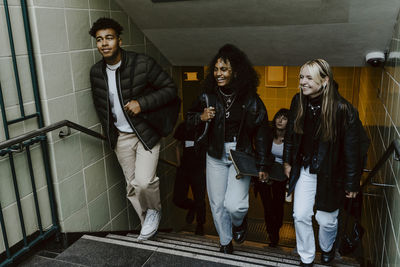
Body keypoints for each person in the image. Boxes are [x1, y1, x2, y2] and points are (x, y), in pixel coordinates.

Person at [88, 18, 177, 240]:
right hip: (121, 138)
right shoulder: (96, 72)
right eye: (99, 40)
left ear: (119, 40)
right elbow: (101, 106)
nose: (104, 43)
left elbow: (170, 89)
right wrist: (110, 132)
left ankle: (154, 211)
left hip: (145, 132)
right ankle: (147, 223)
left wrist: (142, 103)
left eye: (109, 38)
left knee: (144, 182)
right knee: (131, 187)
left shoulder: (142, 63)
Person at [187, 44, 273, 254]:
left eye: (224, 69)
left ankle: (239, 223)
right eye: (216, 69)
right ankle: (225, 242)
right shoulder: (207, 96)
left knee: (235, 205)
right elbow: (188, 119)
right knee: (217, 204)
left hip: (240, 155)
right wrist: (201, 117)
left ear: (236, 71)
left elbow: (262, 132)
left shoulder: (250, 98)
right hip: (215, 153)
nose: (218, 73)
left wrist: (262, 163)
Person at [283, 59, 361, 266]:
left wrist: (352, 183)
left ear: (325, 80)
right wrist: (287, 162)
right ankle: (306, 257)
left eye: (309, 77)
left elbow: (353, 150)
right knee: (300, 215)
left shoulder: (343, 109)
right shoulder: (298, 101)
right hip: (305, 169)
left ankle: (327, 248)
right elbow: (290, 135)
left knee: (326, 221)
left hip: (331, 174)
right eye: (301, 77)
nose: (303, 82)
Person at [254, 108, 289, 247]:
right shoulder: (268, 134)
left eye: (284, 118)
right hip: (266, 172)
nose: (280, 120)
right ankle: (272, 234)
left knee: (278, 205)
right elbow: (260, 152)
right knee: (267, 206)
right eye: (278, 117)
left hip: (281, 176)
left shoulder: (291, 138)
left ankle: (277, 227)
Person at [172, 121, 206, 235]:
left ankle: (200, 225)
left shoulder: (206, 127)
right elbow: (176, 145)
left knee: (200, 200)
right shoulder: (184, 126)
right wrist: (178, 163)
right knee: (177, 199)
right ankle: (192, 206)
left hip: (199, 169)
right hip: (184, 168)